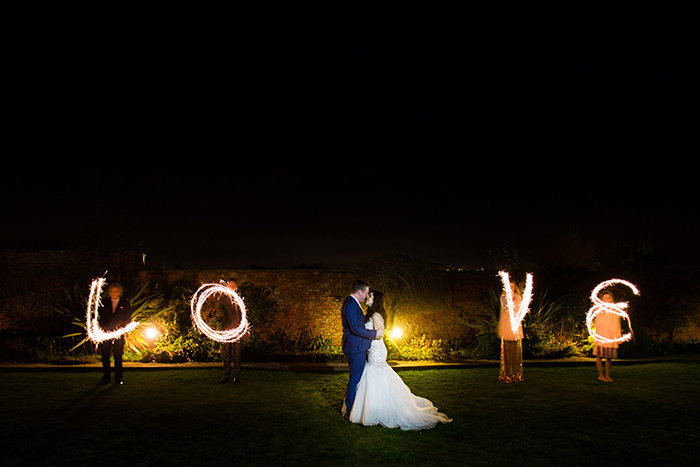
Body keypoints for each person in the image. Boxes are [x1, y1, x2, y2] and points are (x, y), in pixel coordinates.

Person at [349, 290, 452, 430]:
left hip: (377, 350)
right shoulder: (371, 314)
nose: (368, 297)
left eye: (371, 295)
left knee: (375, 374)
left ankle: (379, 409)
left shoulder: (376, 315)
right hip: (372, 349)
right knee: (373, 375)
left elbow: (380, 335)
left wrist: (366, 336)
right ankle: (375, 407)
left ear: (376, 300)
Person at [341, 280, 382, 417]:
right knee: (356, 380)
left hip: (358, 347)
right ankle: (350, 410)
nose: (366, 296)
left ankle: (353, 407)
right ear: (359, 292)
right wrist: (375, 334)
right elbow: (356, 328)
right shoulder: (351, 305)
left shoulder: (353, 304)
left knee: (358, 379)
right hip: (355, 348)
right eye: (365, 293)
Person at [98, 283, 132, 385]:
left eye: (116, 291)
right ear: (109, 292)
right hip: (106, 333)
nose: (114, 293)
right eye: (112, 291)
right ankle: (106, 378)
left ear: (120, 292)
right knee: (105, 355)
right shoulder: (104, 303)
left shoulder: (125, 304)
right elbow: (99, 317)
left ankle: (118, 378)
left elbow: (128, 319)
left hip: (119, 333)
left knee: (117, 355)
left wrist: (121, 326)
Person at [218, 279, 243, 384]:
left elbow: (243, 315)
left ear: (236, 287)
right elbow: (219, 310)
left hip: (238, 330)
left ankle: (236, 377)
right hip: (227, 330)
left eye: (233, 286)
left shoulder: (240, 299)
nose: (231, 287)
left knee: (237, 354)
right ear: (226, 287)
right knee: (227, 354)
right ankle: (226, 376)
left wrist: (244, 329)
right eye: (230, 285)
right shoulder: (223, 299)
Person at [498, 279, 524, 383]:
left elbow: (518, 310)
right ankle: (507, 374)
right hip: (506, 329)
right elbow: (506, 309)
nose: (511, 288)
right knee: (507, 353)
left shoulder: (518, 298)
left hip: (515, 330)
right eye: (509, 286)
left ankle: (516, 374)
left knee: (516, 353)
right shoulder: (503, 297)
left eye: (513, 287)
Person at [593, 291, 622, 382]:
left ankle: (607, 375)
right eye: (605, 298)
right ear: (602, 299)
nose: (607, 300)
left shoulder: (614, 310)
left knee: (609, 357)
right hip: (601, 335)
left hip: (610, 336)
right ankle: (601, 375)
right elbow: (596, 320)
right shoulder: (599, 309)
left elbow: (617, 323)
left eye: (609, 298)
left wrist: (618, 336)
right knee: (599, 355)